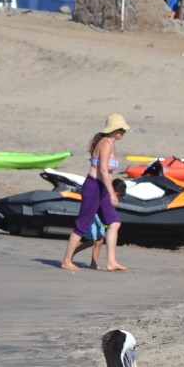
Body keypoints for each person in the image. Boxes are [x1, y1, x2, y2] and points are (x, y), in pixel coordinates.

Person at [61, 114, 129, 271]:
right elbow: (103, 170)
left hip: (103, 187)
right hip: (93, 187)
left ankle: (111, 262)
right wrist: (112, 193)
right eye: (121, 129)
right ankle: (66, 261)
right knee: (83, 224)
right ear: (113, 130)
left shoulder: (111, 144)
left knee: (114, 222)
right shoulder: (105, 143)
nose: (124, 131)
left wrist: (109, 191)